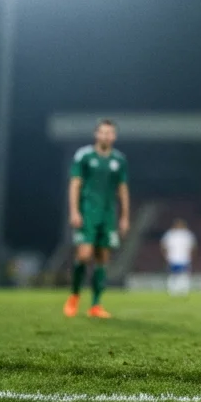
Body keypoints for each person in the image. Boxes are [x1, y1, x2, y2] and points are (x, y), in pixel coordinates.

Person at [63, 119, 130, 319]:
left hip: (108, 214)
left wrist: (125, 216)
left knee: (102, 258)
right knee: (84, 255)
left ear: (114, 137)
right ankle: (74, 296)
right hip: (87, 212)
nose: (106, 136)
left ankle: (95, 304)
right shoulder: (84, 156)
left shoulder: (119, 160)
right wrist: (74, 211)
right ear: (96, 134)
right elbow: (75, 184)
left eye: (110, 133)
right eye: (103, 132)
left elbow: (122, 188)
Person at [160, 219, 196, 297]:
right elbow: (163, 245)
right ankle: (172, 290)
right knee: (173, 275)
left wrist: (190, 255)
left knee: (184, 275)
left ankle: (183, 290)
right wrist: (166, 255)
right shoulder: (170, 234)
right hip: (173, 258)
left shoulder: (187, 234)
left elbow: (192, 246)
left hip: (184, 258)